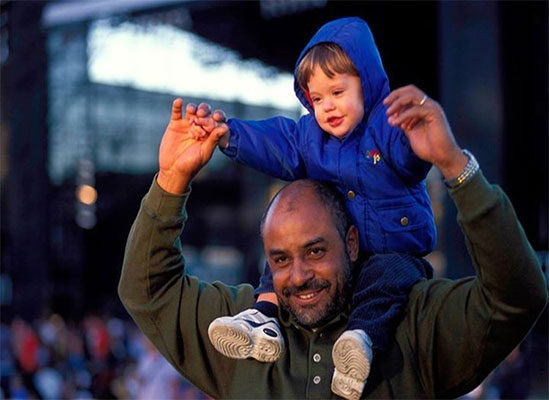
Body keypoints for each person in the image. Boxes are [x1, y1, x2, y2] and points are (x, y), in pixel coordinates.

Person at [118, 84, 547, 399]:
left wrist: (456, 166)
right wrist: (171, 182)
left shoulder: (415, 320)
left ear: (353, 242)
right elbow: (146, 290)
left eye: (316, 251)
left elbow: (517, 297)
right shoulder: (240, 326)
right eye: (280, 259)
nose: (298, 276)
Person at [194, 17, 436, 399]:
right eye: (317, 99)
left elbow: (410, 158)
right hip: (337, 251)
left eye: (338, 92)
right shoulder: (311, 138)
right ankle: (265, 318)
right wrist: (230, 135)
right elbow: (276, 142)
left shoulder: (387, 127)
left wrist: (420, 140)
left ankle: (361, 341)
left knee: (385, 281)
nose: (328, 107)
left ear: (367, 83)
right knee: (287, 256)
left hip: (392, 246)